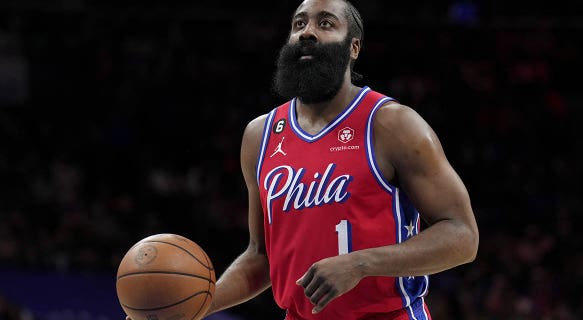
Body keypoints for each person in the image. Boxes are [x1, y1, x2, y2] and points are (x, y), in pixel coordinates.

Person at [127, 0, 478, 319]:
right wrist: (192, 306)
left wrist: (361, 264)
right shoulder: (259, 136)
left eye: (325, 24)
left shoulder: (392, 124)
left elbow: (462, 235)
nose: (307, 31)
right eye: (298, 24)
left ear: (353, 48)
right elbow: (262, 258)